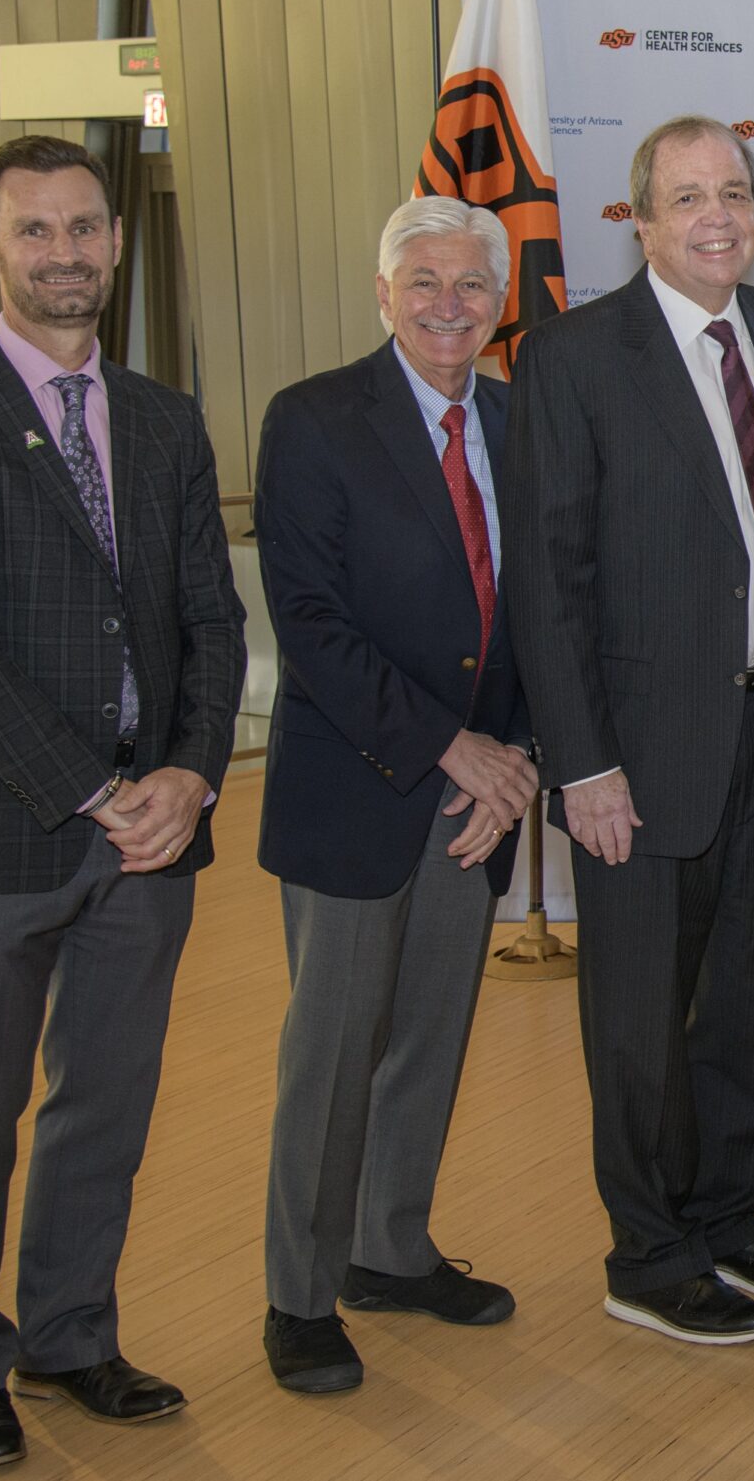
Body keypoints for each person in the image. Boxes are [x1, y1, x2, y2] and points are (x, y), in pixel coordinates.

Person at [0, 135, 246, 1470]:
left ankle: (72, 1333)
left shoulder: (161, 418)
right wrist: (98, 790)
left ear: (116, 243)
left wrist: (191, 773)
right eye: (35, 231)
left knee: (107, 1103)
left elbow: (210, 615)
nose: (65, 251)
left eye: (86, 228)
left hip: (153, 840)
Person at [507, 115, 754, 1346]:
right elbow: (550, 584)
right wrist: (583, 763)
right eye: (691, 196)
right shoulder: (573, 355)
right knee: (641, 1018)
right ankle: (648, 1252)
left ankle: (732, 1217)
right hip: (640, 755)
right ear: (640, 220)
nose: (719, 216)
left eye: (737, 192)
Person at [251, 197, 541, 1394]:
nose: (447, 304)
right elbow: (309, 622)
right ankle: (300, 1296)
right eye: (423, 280)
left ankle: (391, 1247)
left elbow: (539, 616)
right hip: (359, 788)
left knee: (428, 1038)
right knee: (330, 1055)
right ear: (383, 292)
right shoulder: (316, 419)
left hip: (477, 801)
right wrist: (451, 747)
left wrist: (511, 757)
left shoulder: (522, 423)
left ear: (498, 301)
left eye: (472, 285)